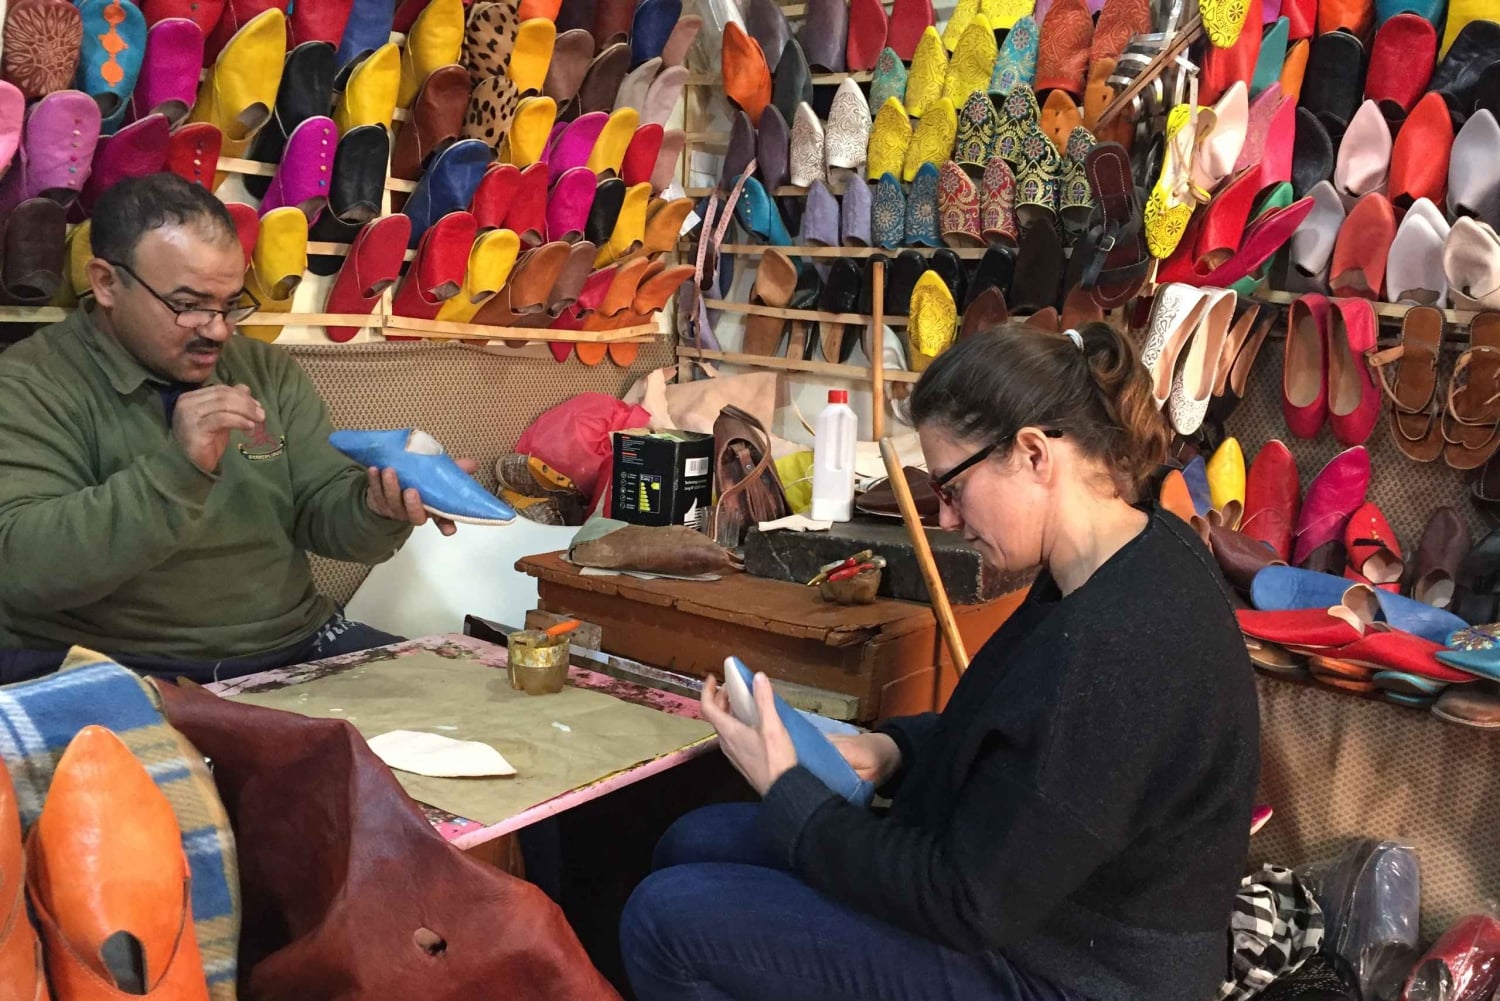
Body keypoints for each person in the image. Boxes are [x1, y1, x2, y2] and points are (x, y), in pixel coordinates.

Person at [620, 322, 1261, 1001]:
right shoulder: (1119, 557)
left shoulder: (1120, 644)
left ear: (1034, 454)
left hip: (1067, 973)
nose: (947, 519)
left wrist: (790, 793)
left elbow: (965, 900)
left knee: (664, 921)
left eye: (951, 488)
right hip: (1027, 911)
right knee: (695, 840)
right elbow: (1023, 747)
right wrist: (895, 750)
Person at [0, 173, 468, 683]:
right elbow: (25, 572)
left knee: (464, 696)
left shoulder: (265, 371)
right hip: (123, 664)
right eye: (188, 306)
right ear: (106, 283)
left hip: (298, 641)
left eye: (229, 304)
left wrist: (377, 507)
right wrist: (178, 470)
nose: (218, 330)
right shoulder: (29, 383)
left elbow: (323, 512)